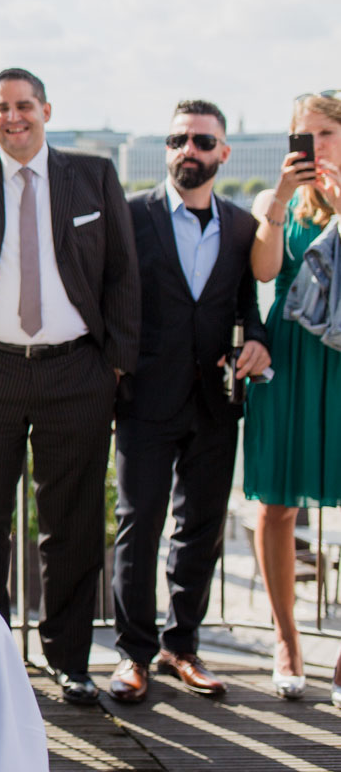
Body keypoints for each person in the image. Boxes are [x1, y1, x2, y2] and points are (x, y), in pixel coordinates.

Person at [0, 67, 139, 704]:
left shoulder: (92, 175)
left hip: (77, 371)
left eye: (24, 106)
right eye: (1, 109)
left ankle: (70, 659)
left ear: (47, 109)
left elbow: (124, 273)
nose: (13, 118)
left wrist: (116, 365)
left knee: (72, 523)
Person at [107, 101, 270, 703]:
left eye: (202, 142)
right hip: (145, 397)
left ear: (223, 153)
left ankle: (183, 646)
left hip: (215, 401)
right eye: (178, 140)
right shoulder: (130, 216)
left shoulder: (241, 226)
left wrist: (256, 340)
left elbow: (248, 309)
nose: (188, 151)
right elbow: (106, 300)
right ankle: (132, 655)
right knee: (138, 525)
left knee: (199, 529)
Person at [244, 91, 341, 703]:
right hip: (289, 355)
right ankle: (287, 640)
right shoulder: (274, 201)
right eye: (303, 138)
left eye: (326, 135)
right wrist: (278, 202)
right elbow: (262, 272)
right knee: (276, 502)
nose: (314, 148)